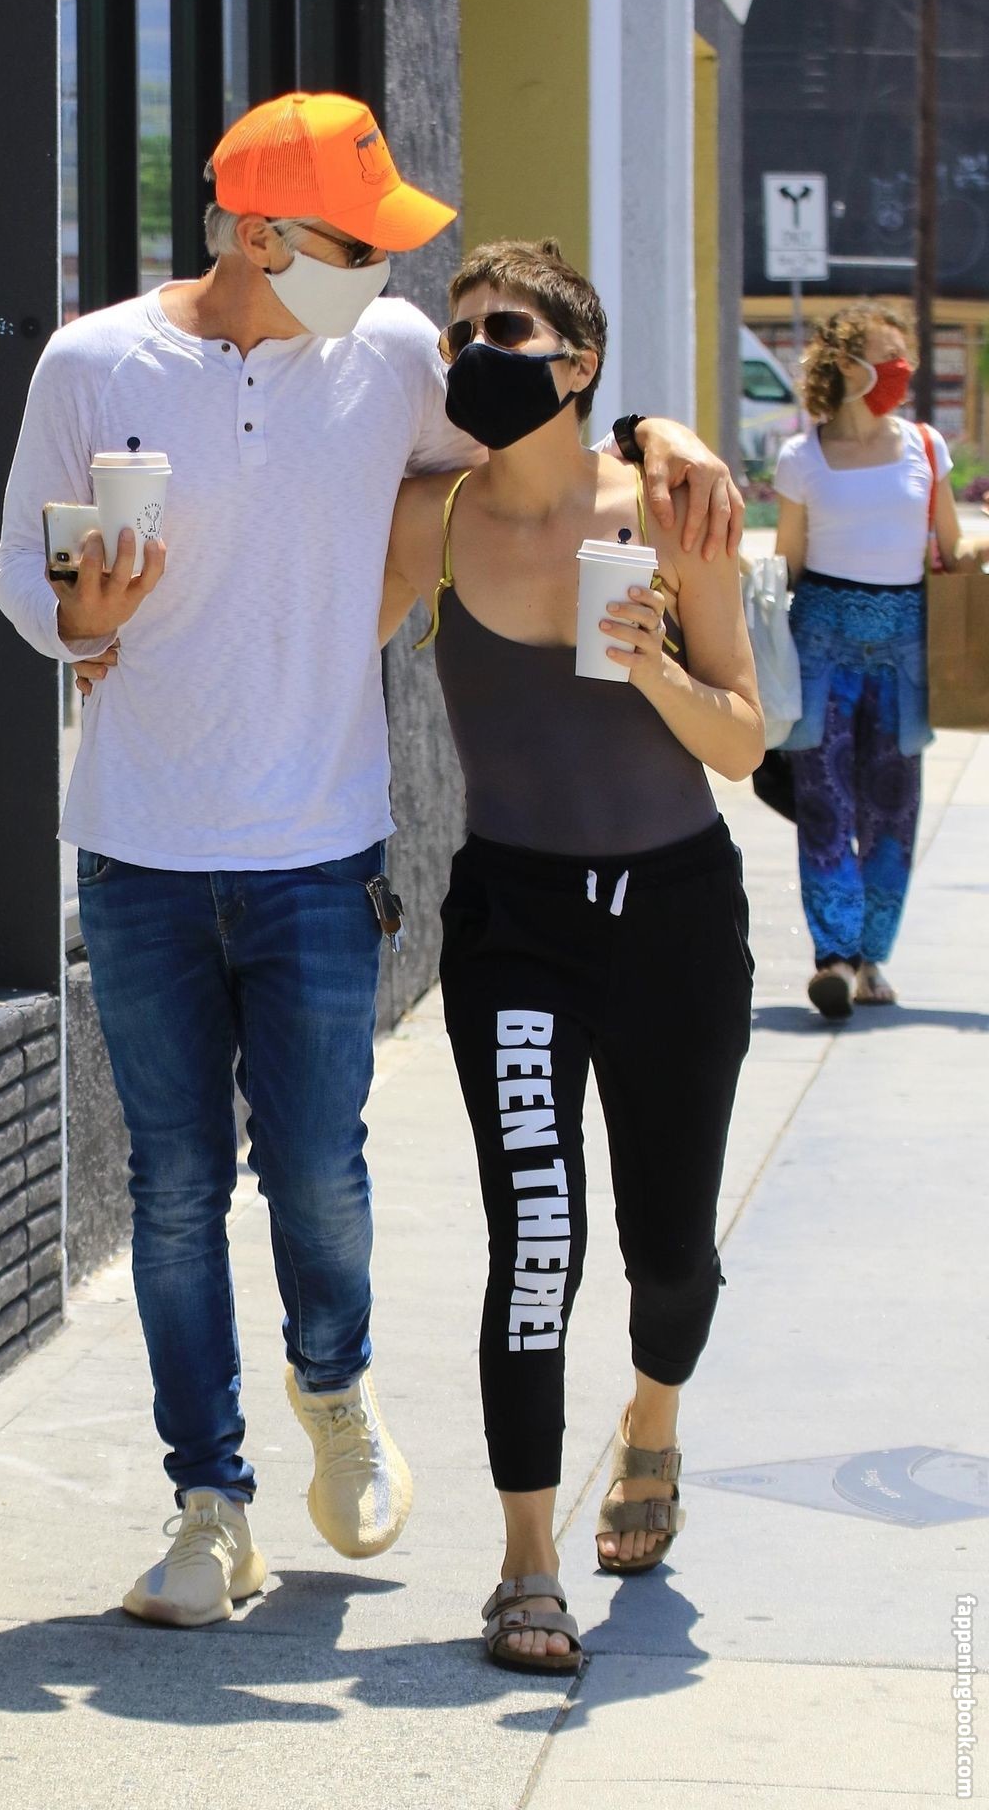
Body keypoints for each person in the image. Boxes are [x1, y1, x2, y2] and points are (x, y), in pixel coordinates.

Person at [0, 91, 744, 1633]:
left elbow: (541, 437)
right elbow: (21, 562)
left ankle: (333, 1386)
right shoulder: (92, 363)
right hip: (139, 844)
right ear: (259, 233)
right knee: (179, 1189)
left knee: (323, 1178)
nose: (389, 277)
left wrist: (661, 434)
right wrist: (74, 621)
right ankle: (215, 1505)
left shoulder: (394, 356)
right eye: (360, 243)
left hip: (325, 847)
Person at [379, 239, 762, 1673]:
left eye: (507, 329)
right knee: (536, 1236)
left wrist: (653, 663)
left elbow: (744, 738)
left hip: (673, 918)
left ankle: (651, 1422)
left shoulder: (668, 509)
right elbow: (317, 631)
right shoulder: (431, 515)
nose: (476, 351)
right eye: (460, 332)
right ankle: (525, 1561)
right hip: (517, 922)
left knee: (670, 1255)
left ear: (579, 363)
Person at [774, 303, 966, 1019]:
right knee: (824, 805)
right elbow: (788, 565)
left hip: (903, 647)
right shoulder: (803, 458)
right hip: (820, 642)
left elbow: (951, 545)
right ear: (845, 365)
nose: (899, 371)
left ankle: (872, 956)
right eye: (885, 358)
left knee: (893, 807)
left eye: (902, 357)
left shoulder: (925, 446)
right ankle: (834, 956)